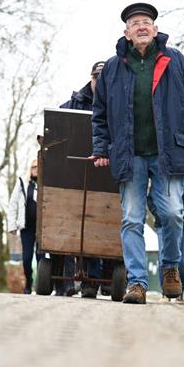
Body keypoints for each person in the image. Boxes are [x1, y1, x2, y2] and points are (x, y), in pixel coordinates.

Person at [91, 2, 184, 304]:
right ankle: (136, 283)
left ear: (156, 28)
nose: (142, 27)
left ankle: (170, 267)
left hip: (169, 153)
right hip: (129, 154)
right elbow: (100, 113)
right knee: (132, 219)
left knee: (173, 213)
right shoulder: (113, 67)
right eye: (135, 23)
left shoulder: (176, 62)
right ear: (127, 32)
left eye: (147, 21)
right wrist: (100, 148)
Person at [60, 60, 112, 298]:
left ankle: (99, 276)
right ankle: (73, 278)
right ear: (90, 79)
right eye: (96, 79)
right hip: (76, 172)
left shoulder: (117, 103)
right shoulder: (75, 102)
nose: (99, 84)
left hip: (106, 175)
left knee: (102, 221)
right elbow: (59, 120)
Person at [148, 172, 184, 301]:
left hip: (182, 227)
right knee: (163, 259)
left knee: (182, 262)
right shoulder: (159, 176)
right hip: (162, 226)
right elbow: (150, 199)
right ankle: (165, 292)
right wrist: (157, 213)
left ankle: (180, 292)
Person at [7, 160, 41, 294]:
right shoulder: (22, 182)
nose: (35, 169)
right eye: (33, 166)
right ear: (30, 169)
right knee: (27, 258)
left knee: (41, 259)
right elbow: (13, 204)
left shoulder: (46, 181)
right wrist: (12, 225)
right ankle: (29, 281)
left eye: (38, 166)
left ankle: (40, 284)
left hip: (42, 229)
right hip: (26, 227)